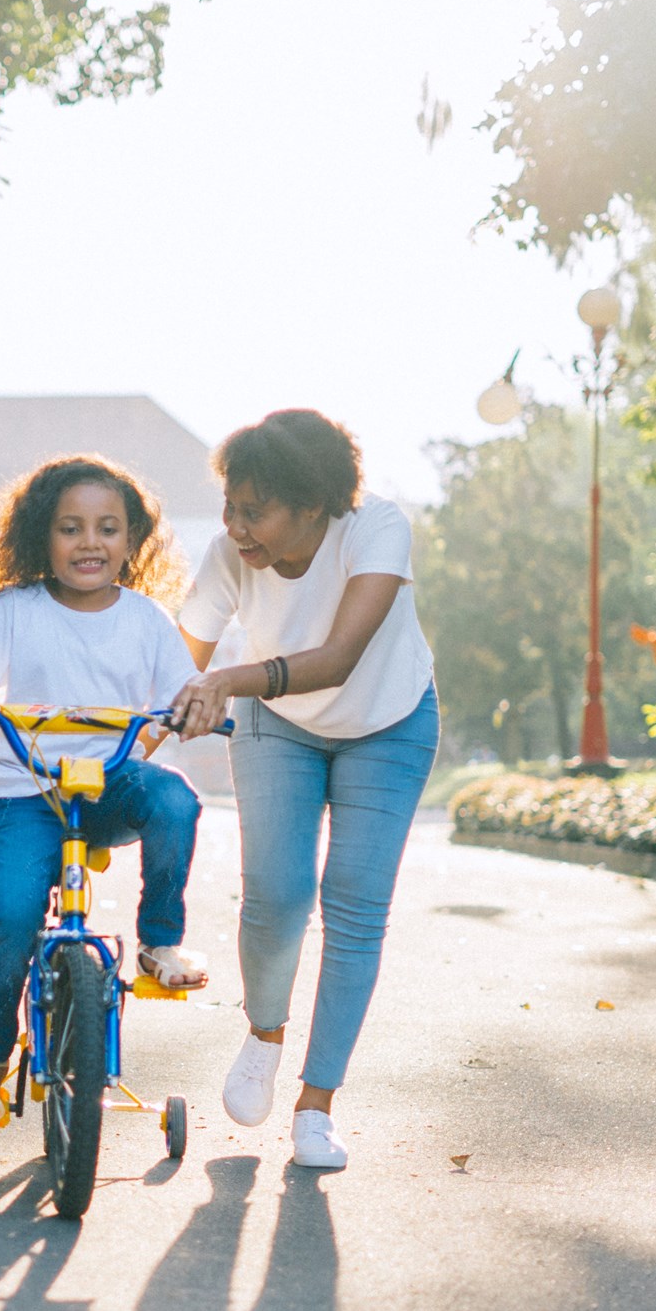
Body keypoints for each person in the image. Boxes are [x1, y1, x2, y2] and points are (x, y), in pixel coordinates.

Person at [170, 409, 438, 1171]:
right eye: (230, 505)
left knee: (354, 904)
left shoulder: (375, 529)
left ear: (313, 505)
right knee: (277, 894)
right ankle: (264, 1033)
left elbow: (341, 656)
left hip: (388, 721)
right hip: (277, 726)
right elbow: (175, 664)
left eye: (255, 510)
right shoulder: (229, 556)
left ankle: (316, 1106)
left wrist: (226, 679)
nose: (235, 526)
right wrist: (132, 736)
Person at [0, 455, 205, 1141]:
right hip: (25, 791)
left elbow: (182, 695)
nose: (90, 542)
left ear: (132, 541)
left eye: (108, 528)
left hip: (108, 785)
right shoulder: (14, 610)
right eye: (71, 528)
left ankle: (160, 943)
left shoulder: (148, 620)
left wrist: (192, 711)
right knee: (12, 915)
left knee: (176, 802)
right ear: (43, 536)